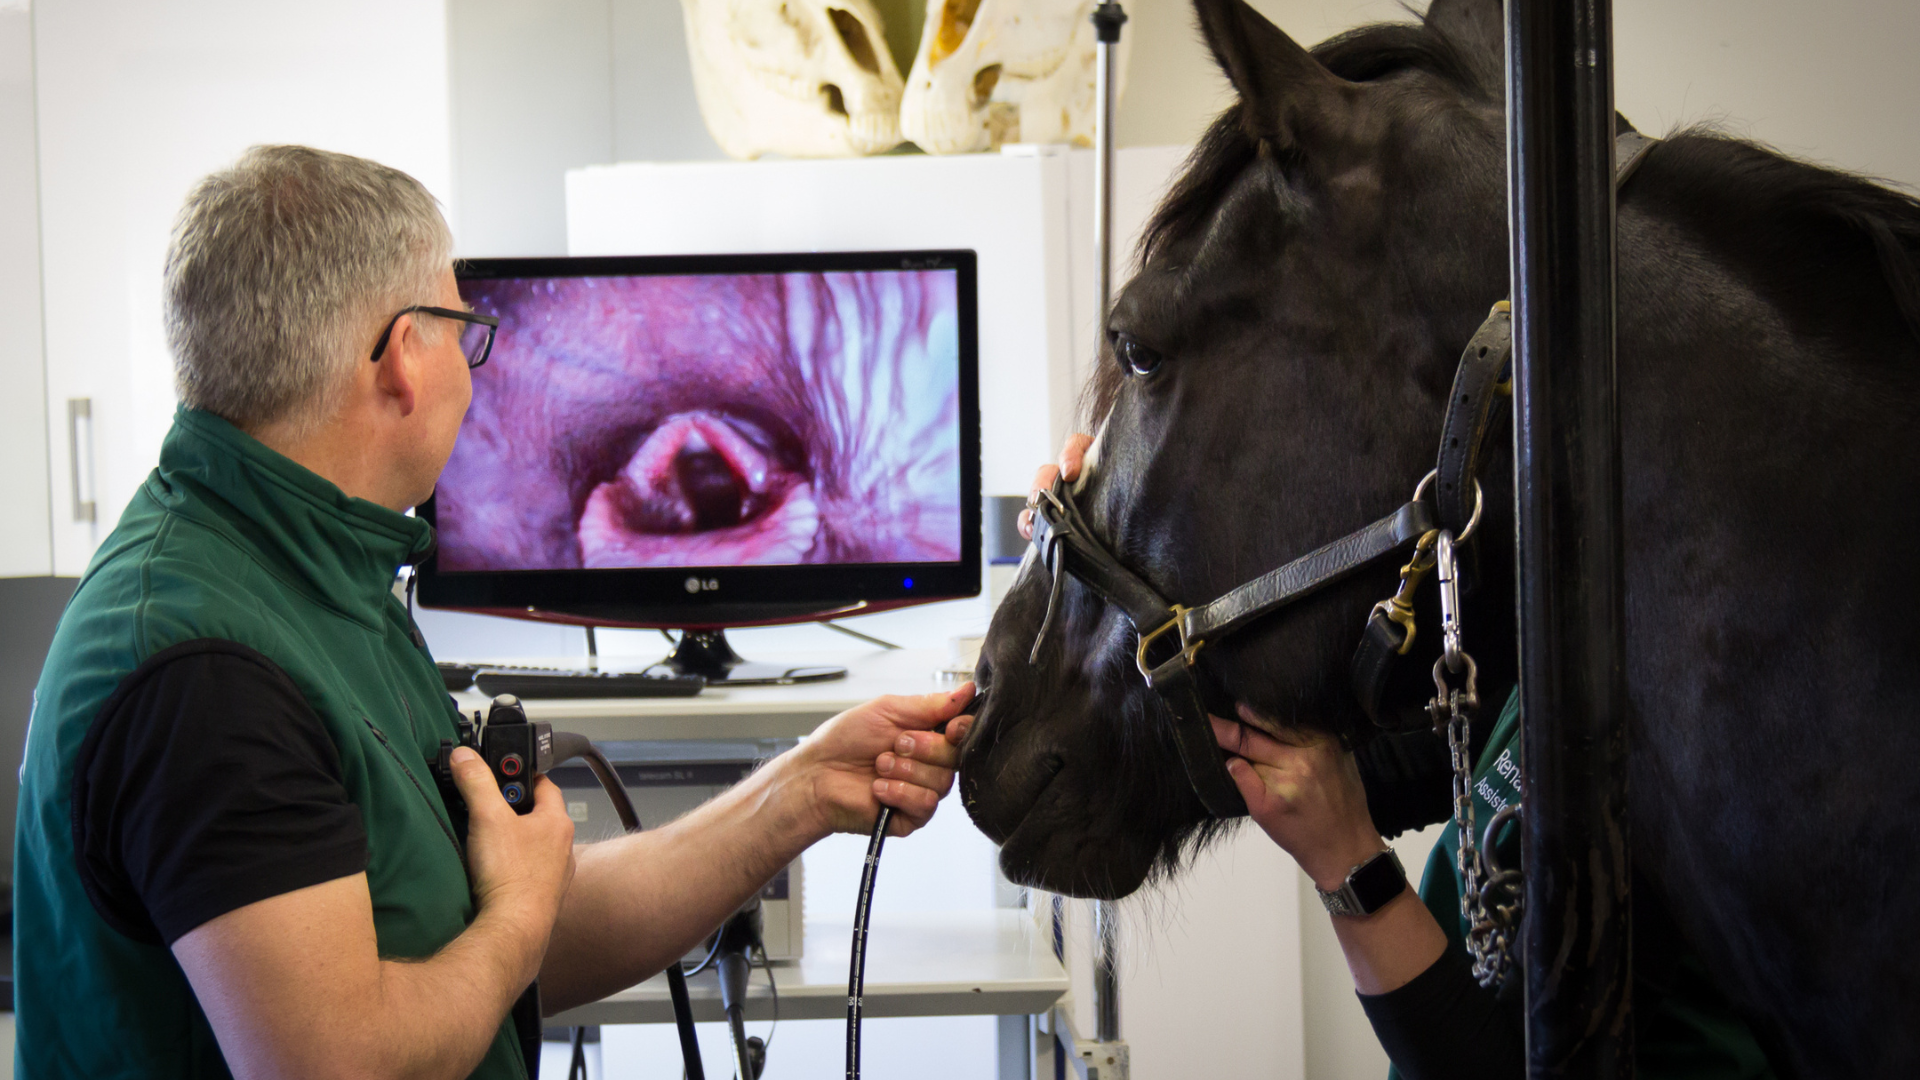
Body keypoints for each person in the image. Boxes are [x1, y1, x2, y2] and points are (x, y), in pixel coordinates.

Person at [12, 145, 973, 1080]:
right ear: (402, 357)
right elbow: (350, 1060)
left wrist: (800, 788)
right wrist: (514, 913)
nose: (476, 372)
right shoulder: (205, 670)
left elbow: (492, 952)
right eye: (469, 335)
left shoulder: (319, 587)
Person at [1022, 434, 1777, 1080]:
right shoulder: (1565, 663)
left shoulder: (1697, 735)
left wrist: (1349, 865)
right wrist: (1108, 572)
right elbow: (1374, 767)